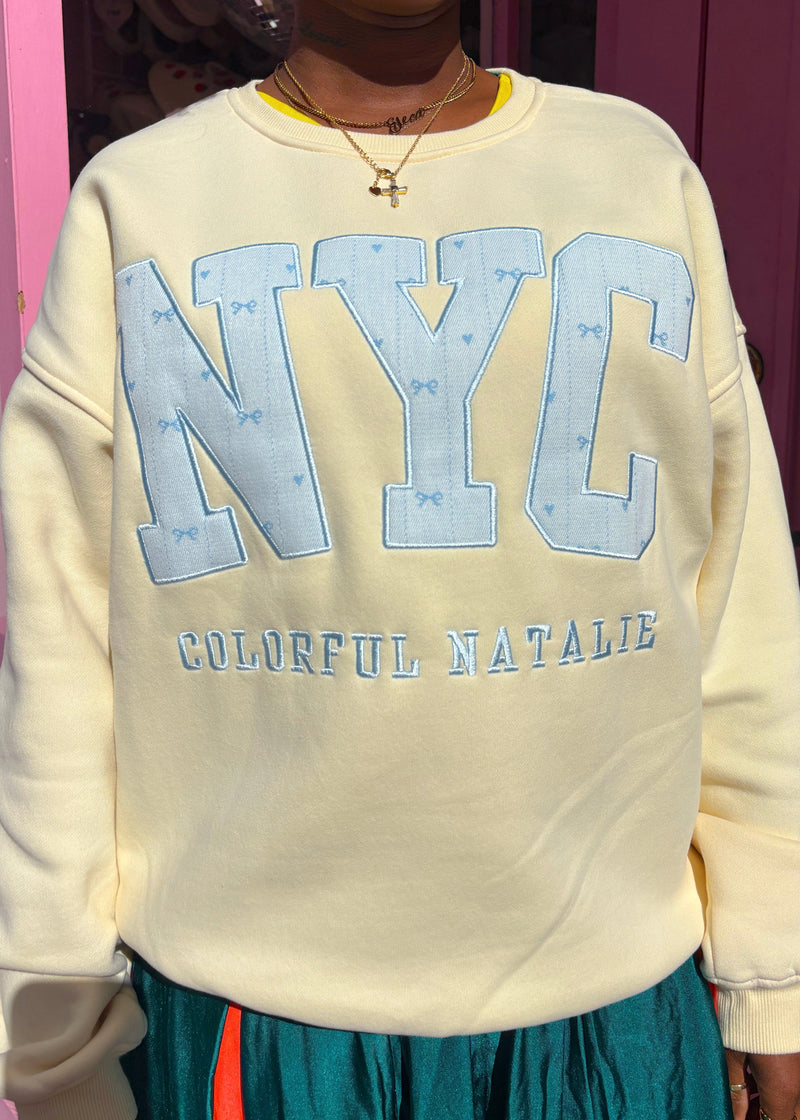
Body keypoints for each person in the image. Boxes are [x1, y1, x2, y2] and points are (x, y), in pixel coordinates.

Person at [1, 0, 799, 1117]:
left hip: (612, 1011)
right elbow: (59, 643)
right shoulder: (142, 200)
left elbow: (736, 602)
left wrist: (774, 973)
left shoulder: (634, 170)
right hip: (256, 1021)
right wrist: (51, 1039)